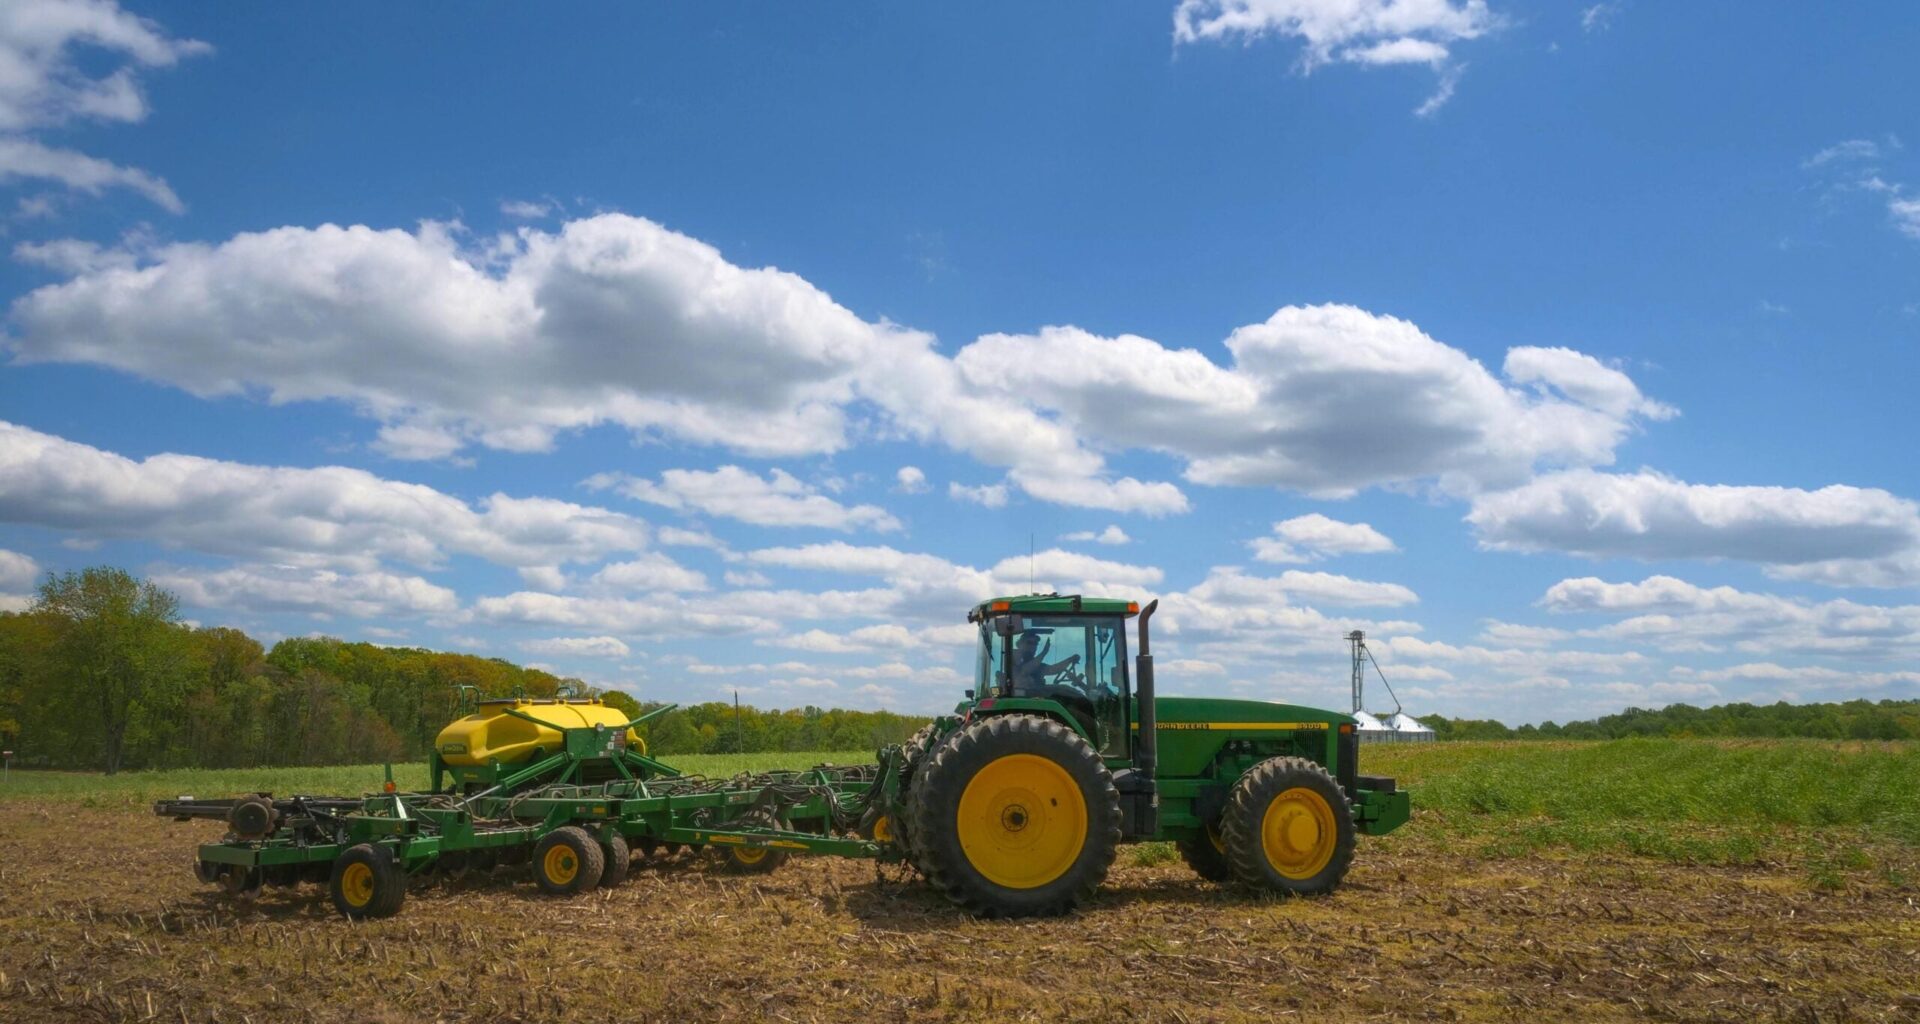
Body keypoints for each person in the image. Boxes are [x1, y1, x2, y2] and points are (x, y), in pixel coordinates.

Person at [1010, 629, 1079, 694]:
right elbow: (1025, 670)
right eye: (1029, 642)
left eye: (1035, 643)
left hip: (1036, 694)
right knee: (1062, 689)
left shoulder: (1036, 663)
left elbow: (1052, 669)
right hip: (1021, 695)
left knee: (1066, 690)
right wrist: (1044, 652)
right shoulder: (1013, 656)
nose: (1033, 646)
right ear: (1019, 644)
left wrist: (1070, 659)